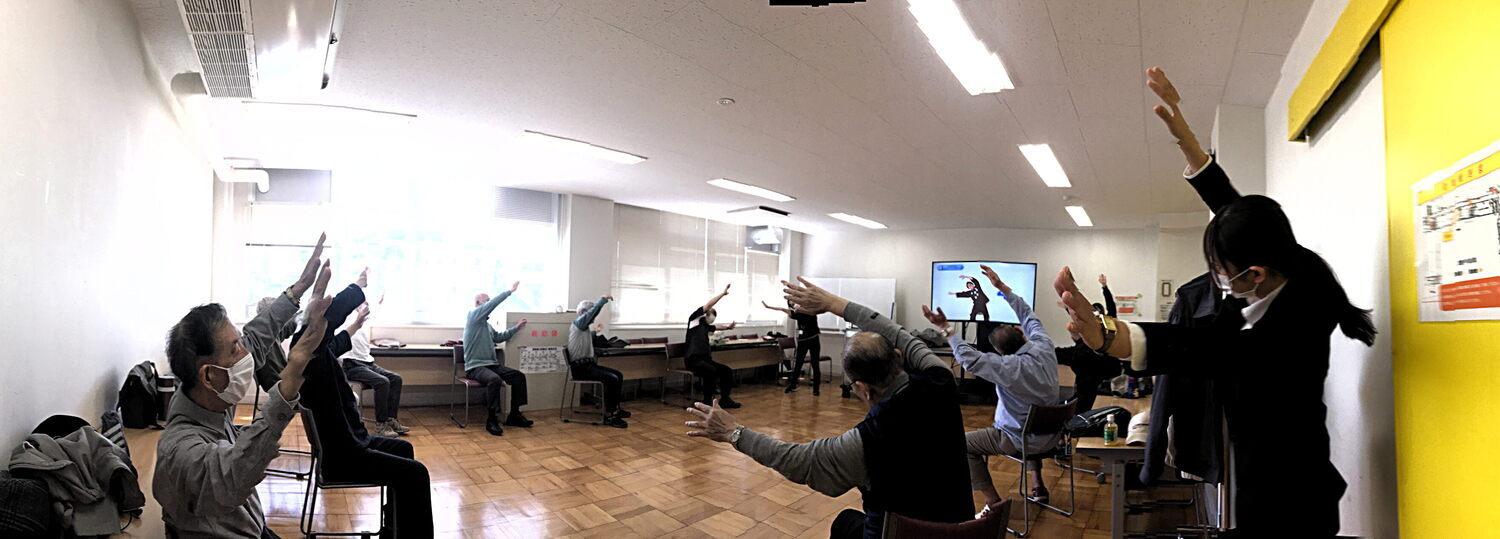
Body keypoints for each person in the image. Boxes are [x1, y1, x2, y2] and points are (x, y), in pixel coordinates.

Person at [1049, 66, 1376, 537]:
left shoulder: (1285, 332)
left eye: (1221, 270)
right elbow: (1235, 210)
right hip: (1279, 473)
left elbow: (1194, 346)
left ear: (1253, 274)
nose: (1217, 279)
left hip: (1289, 496)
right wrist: (1185, 137)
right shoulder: (1291, 262)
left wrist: (1104, 335)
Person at [684, 277, 971, 539]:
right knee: (848, 521)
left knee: (844, 523)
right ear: (898, 357)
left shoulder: (867, 441)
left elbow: (797, 461)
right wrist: (834, 303)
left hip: (899, 536)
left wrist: (733, 432)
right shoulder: (941, 381)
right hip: (964, 531)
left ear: (862, 389)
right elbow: (897, 333)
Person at [156, 234, 332, 538]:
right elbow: (233, 474)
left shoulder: (206, 397)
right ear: (209, 375)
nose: (247, 353)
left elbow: (258, 334)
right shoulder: (179, 448)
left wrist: (298, 289)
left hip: (254, 527)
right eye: (235, 348)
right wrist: (292, 374)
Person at [297, 267, 433, 538]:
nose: (327, 324)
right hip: (344, 457)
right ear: (315, 327)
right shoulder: (306, 353)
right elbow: (331, 319)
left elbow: (337, 342)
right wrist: (357, 286)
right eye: (323, 320)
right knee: (416, 473)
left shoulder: (314, 351)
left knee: (404, 448)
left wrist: (357, 324)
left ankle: (394, 529)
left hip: (353, 442)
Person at [940, 265, 1061, 513]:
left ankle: (993, 502)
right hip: (1052, 437)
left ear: (999, 352)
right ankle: (1037, 485)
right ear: (1021, 333)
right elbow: (1027, 313)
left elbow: (969, 359)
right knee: (1033, 418)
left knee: (962, 445)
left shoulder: (1006, 367)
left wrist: (948, 330)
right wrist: (1002, 288)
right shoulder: (1045, 346)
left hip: (1018, 440)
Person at [464, 281, 531, 436]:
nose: (489, 303)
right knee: (494, 379)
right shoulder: (472, 317)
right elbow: (493, 304)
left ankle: (514, 414)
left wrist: (516, 328)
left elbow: (499, 337)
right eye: (486, 301)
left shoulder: (487, 326)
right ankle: (492, 419)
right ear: (478, 303)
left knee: (518, 377)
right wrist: (509, 291)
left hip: (491, 365)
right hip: (475, 367)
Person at [338, 295, 408, 438]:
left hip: (368, 363)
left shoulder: (364, 320)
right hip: (352, 365)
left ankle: (390, 419)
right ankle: (381, 425)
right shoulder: (344, 319)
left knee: (396, 379)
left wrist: (379, 301)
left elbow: (372, 310)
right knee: (382, 382)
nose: (363, 305)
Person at [566, 294, 630, 428]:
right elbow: (592, 312)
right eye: (590, 313)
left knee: (618, 375)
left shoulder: (582, 328)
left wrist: (595, 332)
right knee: (612, 379)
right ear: (583, 312)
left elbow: (585, 338)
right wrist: (603, 299)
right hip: (581, 369)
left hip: (588, 366)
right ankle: (609, 415)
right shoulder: (578, 323)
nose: (593, 317)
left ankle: (615, 408)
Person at [684, 283, 741, 408]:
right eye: (711, 313)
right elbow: (709, 305)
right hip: (693, 360)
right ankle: (707, 400)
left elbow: (716, 327)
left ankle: (725, 399)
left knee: (726, 371)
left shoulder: (705, 326)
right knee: (711, 371)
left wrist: (728, 327)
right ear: (704, 313)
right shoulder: (694, 320)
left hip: (705, 359)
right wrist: (722, 294)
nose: (712, 316)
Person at [763, 300, 822, 394]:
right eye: (791, 304)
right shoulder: (795, 313)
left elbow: (816, 308)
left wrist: (800, 307)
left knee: (815, 364)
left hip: (813, 339)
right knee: (798, 364)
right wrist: (768, 307)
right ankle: (793, 386)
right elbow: (782, 309)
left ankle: (816, 389)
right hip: (802, 341)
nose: (793, 304)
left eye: (794, 302)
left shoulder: (809, 309)